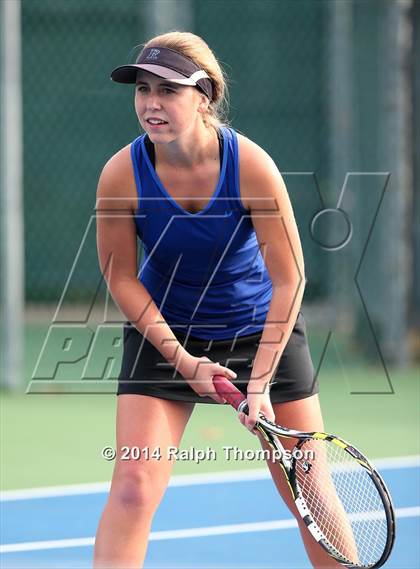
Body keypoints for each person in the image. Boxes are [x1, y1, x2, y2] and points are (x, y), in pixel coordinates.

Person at [94, 31, 335, 569]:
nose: (151, 104)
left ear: (204, 95)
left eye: (168, 91)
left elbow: (290, 279)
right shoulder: (119, 174)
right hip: (165, 330)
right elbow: (122, 278)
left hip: (258, 328)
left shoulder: (251, 166)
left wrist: (261, 380)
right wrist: (181, 359)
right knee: (133, 486)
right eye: (143, 89)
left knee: (310, 492)